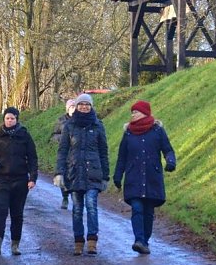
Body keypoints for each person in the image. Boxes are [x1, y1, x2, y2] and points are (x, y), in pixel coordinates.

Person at [112, 100, 177, 255]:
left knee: (148, 212)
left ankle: (145, 241)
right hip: (133, 177)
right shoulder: (128, 133)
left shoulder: (157, 131)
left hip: (152, 177)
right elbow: (122, 157)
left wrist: (170, 161)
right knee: (137, 208)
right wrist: (117, 175)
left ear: (145, 113)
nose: (132, 115)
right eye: (132, 112)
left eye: (135, 112)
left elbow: (168, 149)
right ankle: (139, 240)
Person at [0, 107, 38, 256]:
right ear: (3, 120)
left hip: (20, 180)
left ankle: (15, 245)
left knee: (17, 214)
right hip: (1, 180)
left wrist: (32, 178)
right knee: (0, 210)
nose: (9, 121)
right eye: (7, 118)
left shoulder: (24, 136)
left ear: (17, 119)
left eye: (12, 118)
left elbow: (32, 159)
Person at [54, 94, 109, 256]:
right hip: (74, 172)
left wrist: (105, 175)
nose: (84, 107)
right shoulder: (69, 126)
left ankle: (92, 241)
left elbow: (103, 152)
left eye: (87, 104)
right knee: (77, 209)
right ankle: (78, 241)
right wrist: (59, 173)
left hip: (93, 172)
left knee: (91, 205)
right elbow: (62, 151)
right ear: (76, 107)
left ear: (91, 107)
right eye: (81, 104)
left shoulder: (98, 125)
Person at [51, 98, 76, 209]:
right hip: (64, 152)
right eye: (71, 107)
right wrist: (62, 138)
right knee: (64, 175)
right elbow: (54, 135)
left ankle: (75, 199)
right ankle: (65, 197)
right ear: (67, 109)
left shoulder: (79, 121)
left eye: (75, 106)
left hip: (76, 153)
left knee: (75, 176)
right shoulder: (61, 121)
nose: (73, 109)